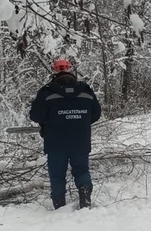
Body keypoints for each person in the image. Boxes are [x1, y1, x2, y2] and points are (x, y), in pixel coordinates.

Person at [29, 59, 102, 209]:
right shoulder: (85, 90)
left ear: (54, 71)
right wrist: (79, 122)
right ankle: (85, 198)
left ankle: (60, 206)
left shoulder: (47, 92)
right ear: (71, 70)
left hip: (55, 142)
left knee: (57, 175)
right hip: (80, 140)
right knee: (81, 170)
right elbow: (96, 114)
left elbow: (36, 116)